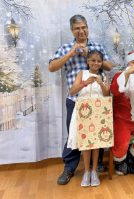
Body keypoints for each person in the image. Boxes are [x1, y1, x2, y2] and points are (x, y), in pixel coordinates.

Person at [48, 14, 112, 185]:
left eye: (83, 27)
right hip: (75, 100)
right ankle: (69, 168)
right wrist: (71, 53)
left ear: (87, 27)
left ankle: (95, 166)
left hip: (97, 101)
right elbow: (52, 67)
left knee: (96, 134)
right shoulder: (66, 47)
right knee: (74, 135)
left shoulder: (97, 46)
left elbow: (109, 66)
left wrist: (88, 55)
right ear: (72, 30)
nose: (81, 30)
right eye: (77, 28)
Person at [67, 50, 110, 187]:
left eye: (98, 61)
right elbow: (72, 91)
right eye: (93, 60)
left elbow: (107, 94)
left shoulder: (103, 75)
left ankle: (94, 171)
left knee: (96, 142)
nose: (96, 63)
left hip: (98, 112)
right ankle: (86, 171)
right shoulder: (82, 74)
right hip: (83, 112)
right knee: (86, 143)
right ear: (87, 61)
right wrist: (85, 83)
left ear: (101, 62)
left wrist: (101, 83)